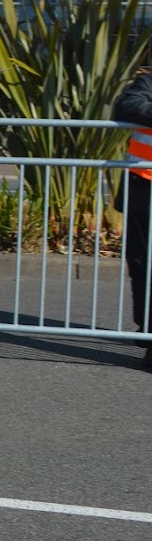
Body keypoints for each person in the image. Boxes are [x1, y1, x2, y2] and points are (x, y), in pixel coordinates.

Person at [112, 69, 152, 372]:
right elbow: (126, 107)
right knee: (142, 264)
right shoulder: (148, 82)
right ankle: (149, 333)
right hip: (144, 185)